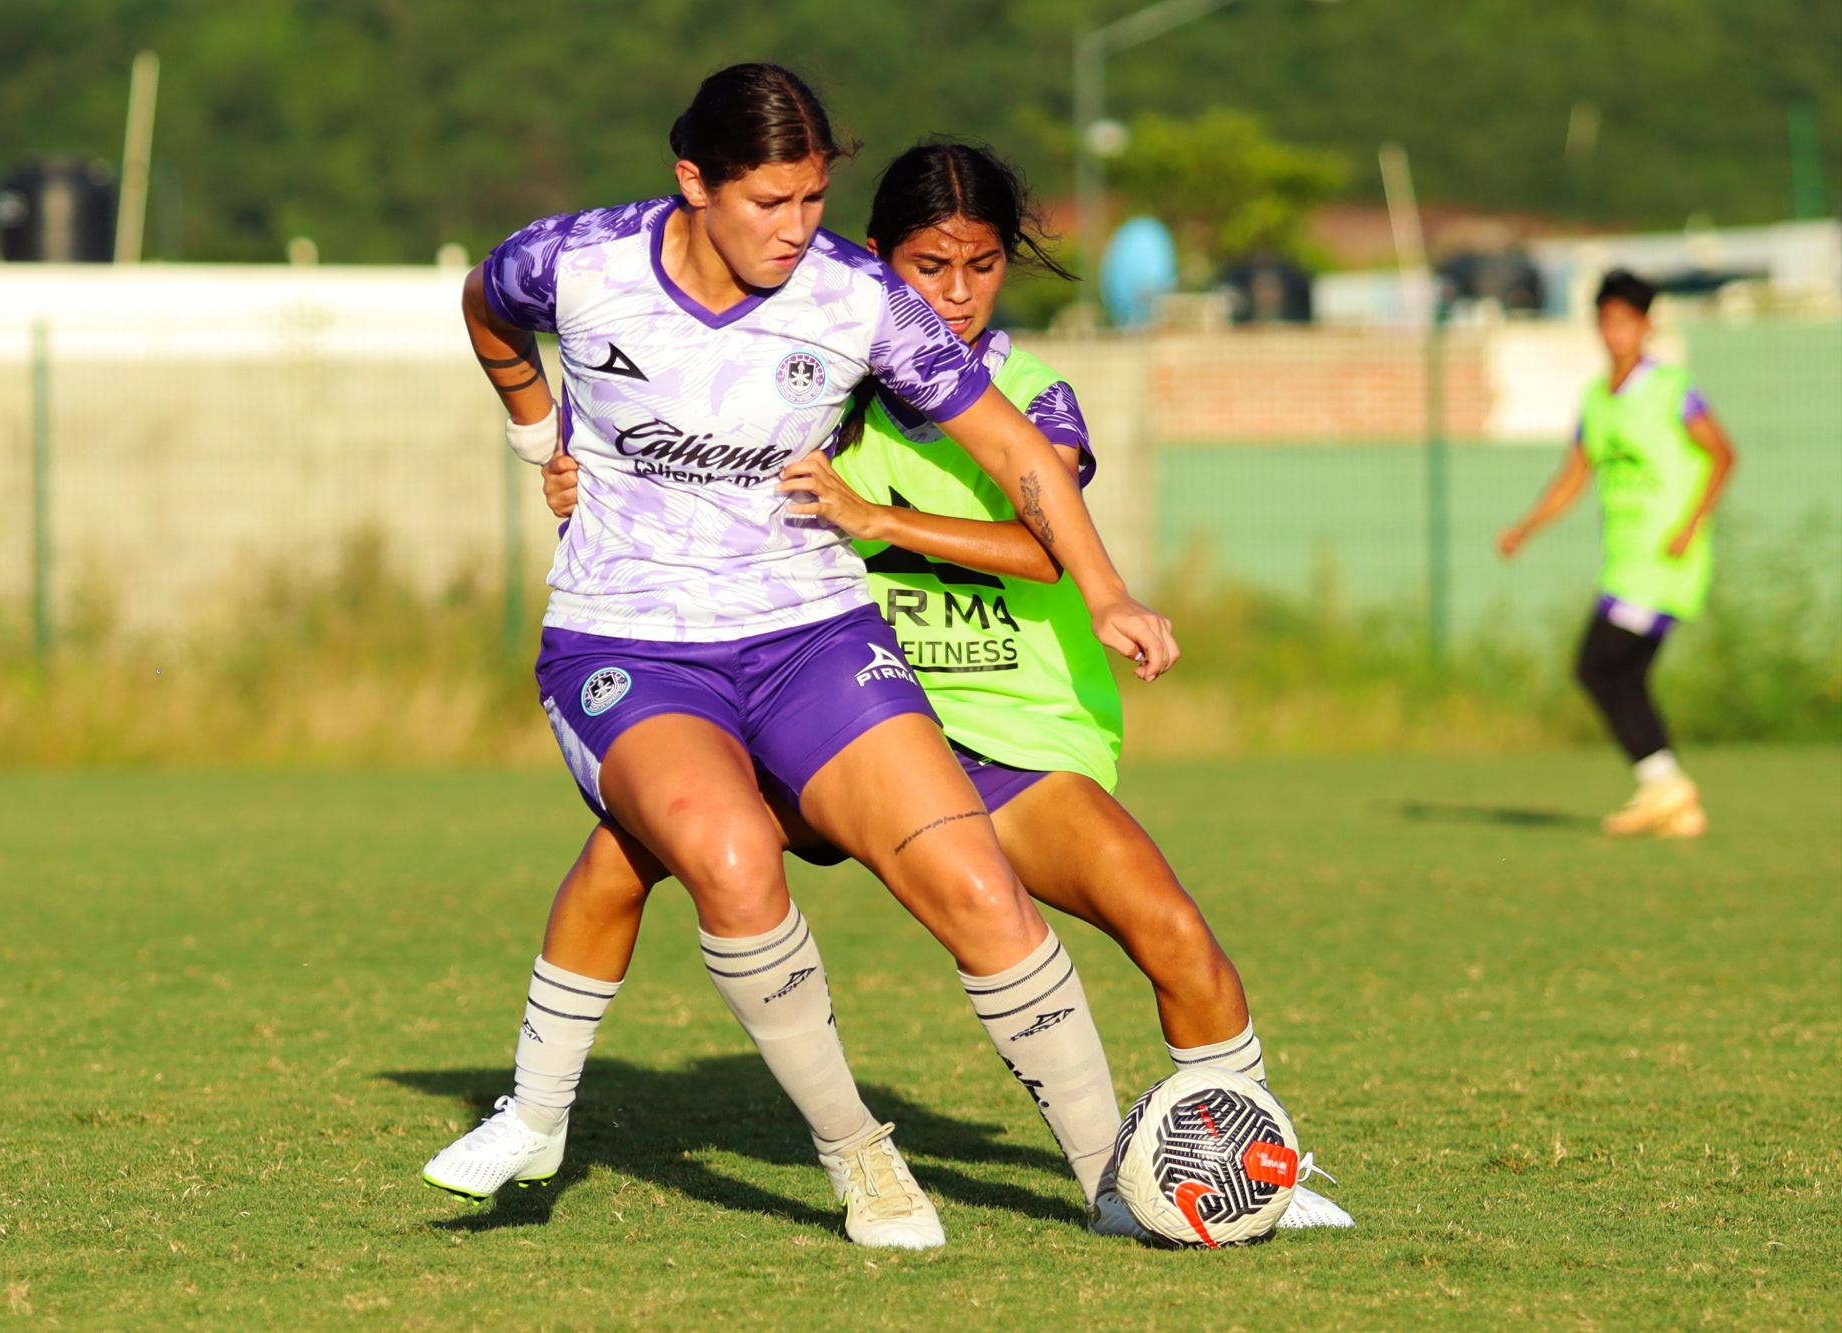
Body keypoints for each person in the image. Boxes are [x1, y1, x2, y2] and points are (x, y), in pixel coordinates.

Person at [447, 138, 1352, 1236]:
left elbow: (1038, 535)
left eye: (980, 268)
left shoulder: (1016, 387)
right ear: (884, 261)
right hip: (819, 704)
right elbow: (670, 422)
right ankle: (536, 1111)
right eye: (930, 268)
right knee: (636, 854)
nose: (955, 295)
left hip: (1000, 734)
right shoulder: (822, 369)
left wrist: (908, 529)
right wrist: (567, 453)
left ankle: (1247, 1163)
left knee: (1162, 925)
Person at [1499, 269, 1736, 837]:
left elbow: (1723, 455)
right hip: (1625, 561)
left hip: (1664, 562)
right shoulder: (1596, 400)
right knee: (1622, 675)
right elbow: (1574, 474)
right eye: (1606, 322)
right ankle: (1675, 803)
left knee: (1598, 664)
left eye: (1626, 322)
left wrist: (1689, 525)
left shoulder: (1673, 388)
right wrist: (1527, 526)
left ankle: (1665, 785)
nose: (1615, 333)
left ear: (1646, 326)